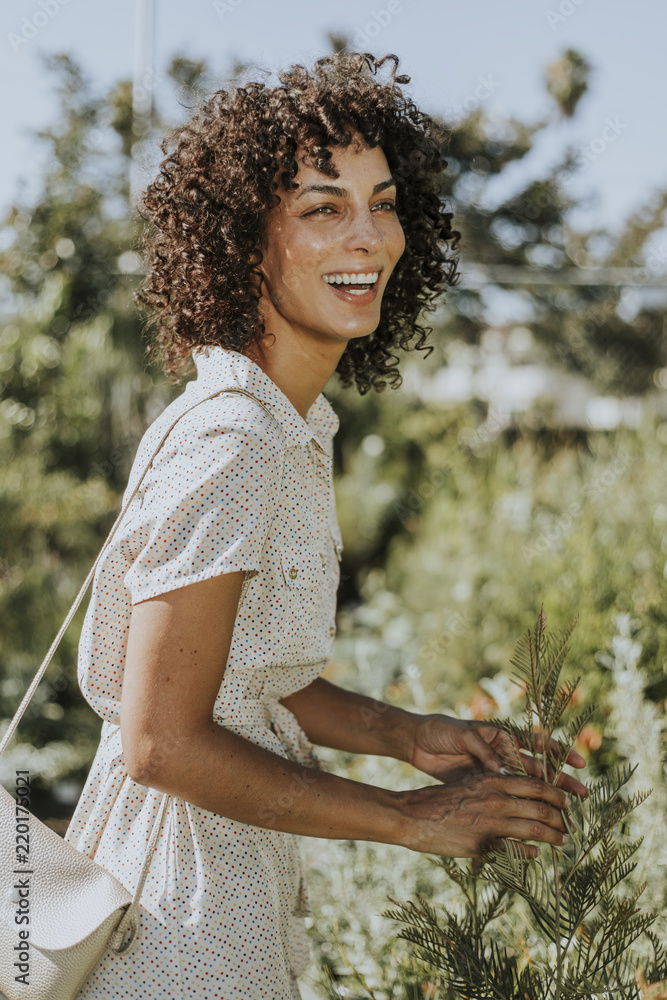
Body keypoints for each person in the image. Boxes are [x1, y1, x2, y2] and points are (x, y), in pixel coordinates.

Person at [65, 51, 588, 999]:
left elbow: (244, 681)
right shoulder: (235, 440)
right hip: (180, 929)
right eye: (320, 207)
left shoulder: (287, 423)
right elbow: (161, 740)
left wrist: (404, 735)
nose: (368, 237)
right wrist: (410, 820)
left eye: (382, 202)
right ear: (242, 243)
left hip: (230, 896)